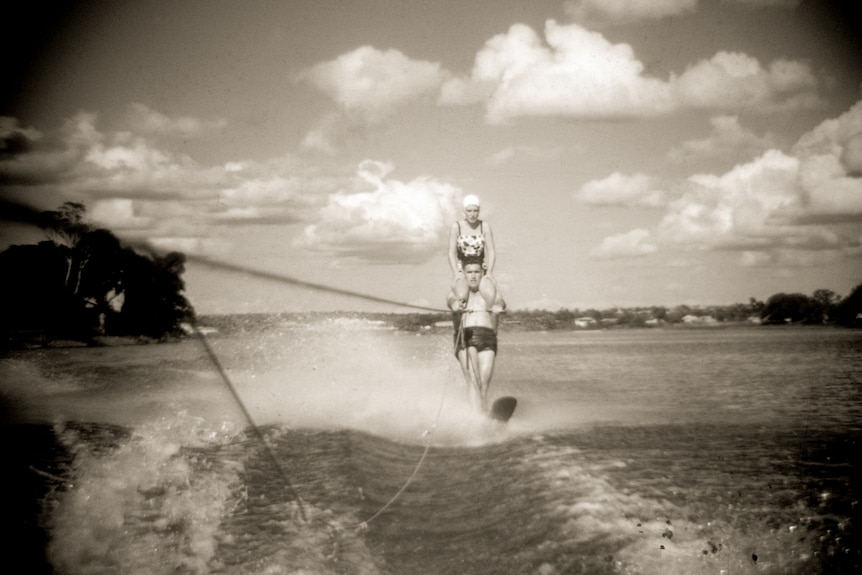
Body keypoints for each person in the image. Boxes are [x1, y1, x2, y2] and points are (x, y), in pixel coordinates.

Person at [447, 257, 500, 412]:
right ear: (463, 273)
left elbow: (499, 300)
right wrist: (455, 305)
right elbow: (450, 300)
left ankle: (483, 414)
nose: (473, 276)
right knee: (473, 380)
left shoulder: (489, 292)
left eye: (477, 272)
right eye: (469, 272)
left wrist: (498, 306)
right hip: (466, 338)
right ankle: (475, 418)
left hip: (488, 338)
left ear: (482, 272)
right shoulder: (457, 292)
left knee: (483, 383)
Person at [448, 195, 502, 309]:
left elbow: (491, 251)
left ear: (479, 211)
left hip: (480, 269)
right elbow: (451, 253)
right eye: (469, 211)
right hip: (462, 269)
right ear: (464, 211)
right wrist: (456, 273)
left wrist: (489, 273)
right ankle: (455, 307)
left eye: (475, 211)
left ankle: (497, 307)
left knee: (493, 296)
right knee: (460, 297)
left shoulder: (485, 226)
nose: (472, 214)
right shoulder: (456, 227)